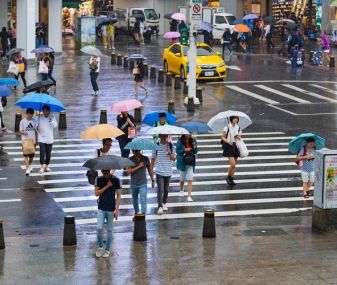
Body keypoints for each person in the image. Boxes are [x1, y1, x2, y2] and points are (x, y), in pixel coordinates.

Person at [94, 169, 121, 258]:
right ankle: (100, 247)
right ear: (101, 171)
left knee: (109, 230)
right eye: (103, 171)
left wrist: (116, 209)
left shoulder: (116, 180)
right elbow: (96, 193)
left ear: (109, 170)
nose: (105, 172)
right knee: (99, 228)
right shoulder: (98, 179)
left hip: (111, 209)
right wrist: (107, 186)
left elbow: (118, 195)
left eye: (106, 171)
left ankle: (107, 249)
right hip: (101, 208)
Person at [151, 134, 176, 215]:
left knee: (166, 189)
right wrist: (151, 172)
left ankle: (164, 202)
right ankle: (160, 206)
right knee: (160, 189)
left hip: (168, 171)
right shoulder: (156, 146)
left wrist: (170, 154)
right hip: (159, 171)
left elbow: (174, 159)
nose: (163, 137)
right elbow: (153, 158)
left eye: (165, 135)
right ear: (160, 136)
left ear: (167, 136)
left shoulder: (171, 146)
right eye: (162, 135)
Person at [127, 150, 154, 215]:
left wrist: (152, 179)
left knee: (143, 198)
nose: (136, 152)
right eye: (134, 151)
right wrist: (139, 166)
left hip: (143, 183)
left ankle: (143, 213)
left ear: (140, 150)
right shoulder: (130, 159)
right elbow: (129, 171)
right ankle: (136, 212)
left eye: (137, 151)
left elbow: (150, 170)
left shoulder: (145, 159)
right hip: (134, 183)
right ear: (132, 151)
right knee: (134, 200)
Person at [176, 134, 198, 201]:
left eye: (190, 133)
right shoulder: (180, 141)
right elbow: (177, 151)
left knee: (190, 178)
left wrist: (194, 146)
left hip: (191, 161)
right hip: (183, 162)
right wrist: (185, 150)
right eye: (187, 133)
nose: (189, 134)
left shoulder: (193, 141)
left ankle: (189, 196)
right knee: (182, 179)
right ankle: (181, 190)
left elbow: (196, 151)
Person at [221, 116, 242, 186]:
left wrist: (238, 136)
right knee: (232, 164)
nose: (236, 120)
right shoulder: (227, 127)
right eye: (234, 119)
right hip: (228, 146)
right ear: (231, 120)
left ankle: (231, 179)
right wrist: (228, 141)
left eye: (237, 119)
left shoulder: (238, 127)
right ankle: (228, 177)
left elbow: (239, 136)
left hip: (235, 146)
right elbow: (222, 137)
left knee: (234, 165)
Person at [37, 105, 58, 174]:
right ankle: (42, 167)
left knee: (48, 154)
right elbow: (36, 126)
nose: (45, 112)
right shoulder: (40, 117)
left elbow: (55, 126)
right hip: (41, 138)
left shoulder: (52, 117)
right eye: (43, 111)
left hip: (49, 138)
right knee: (42, 153)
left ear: (49, 111)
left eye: (46, 111)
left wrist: (51, 121)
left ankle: (46, 166)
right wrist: (37, 127)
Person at [19, 108, 37, 176]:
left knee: (32, 156)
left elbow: (36, 130)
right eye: (29, 114)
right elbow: (20, 131)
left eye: (31, 114)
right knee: (26, 155)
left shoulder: (34, 121)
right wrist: (24, 132)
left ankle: (29, 165)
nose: (30, 116)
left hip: (33, 141)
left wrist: (37, 140)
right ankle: (27, 169)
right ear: (26, 114)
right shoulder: (22, 121)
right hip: (25, 141)